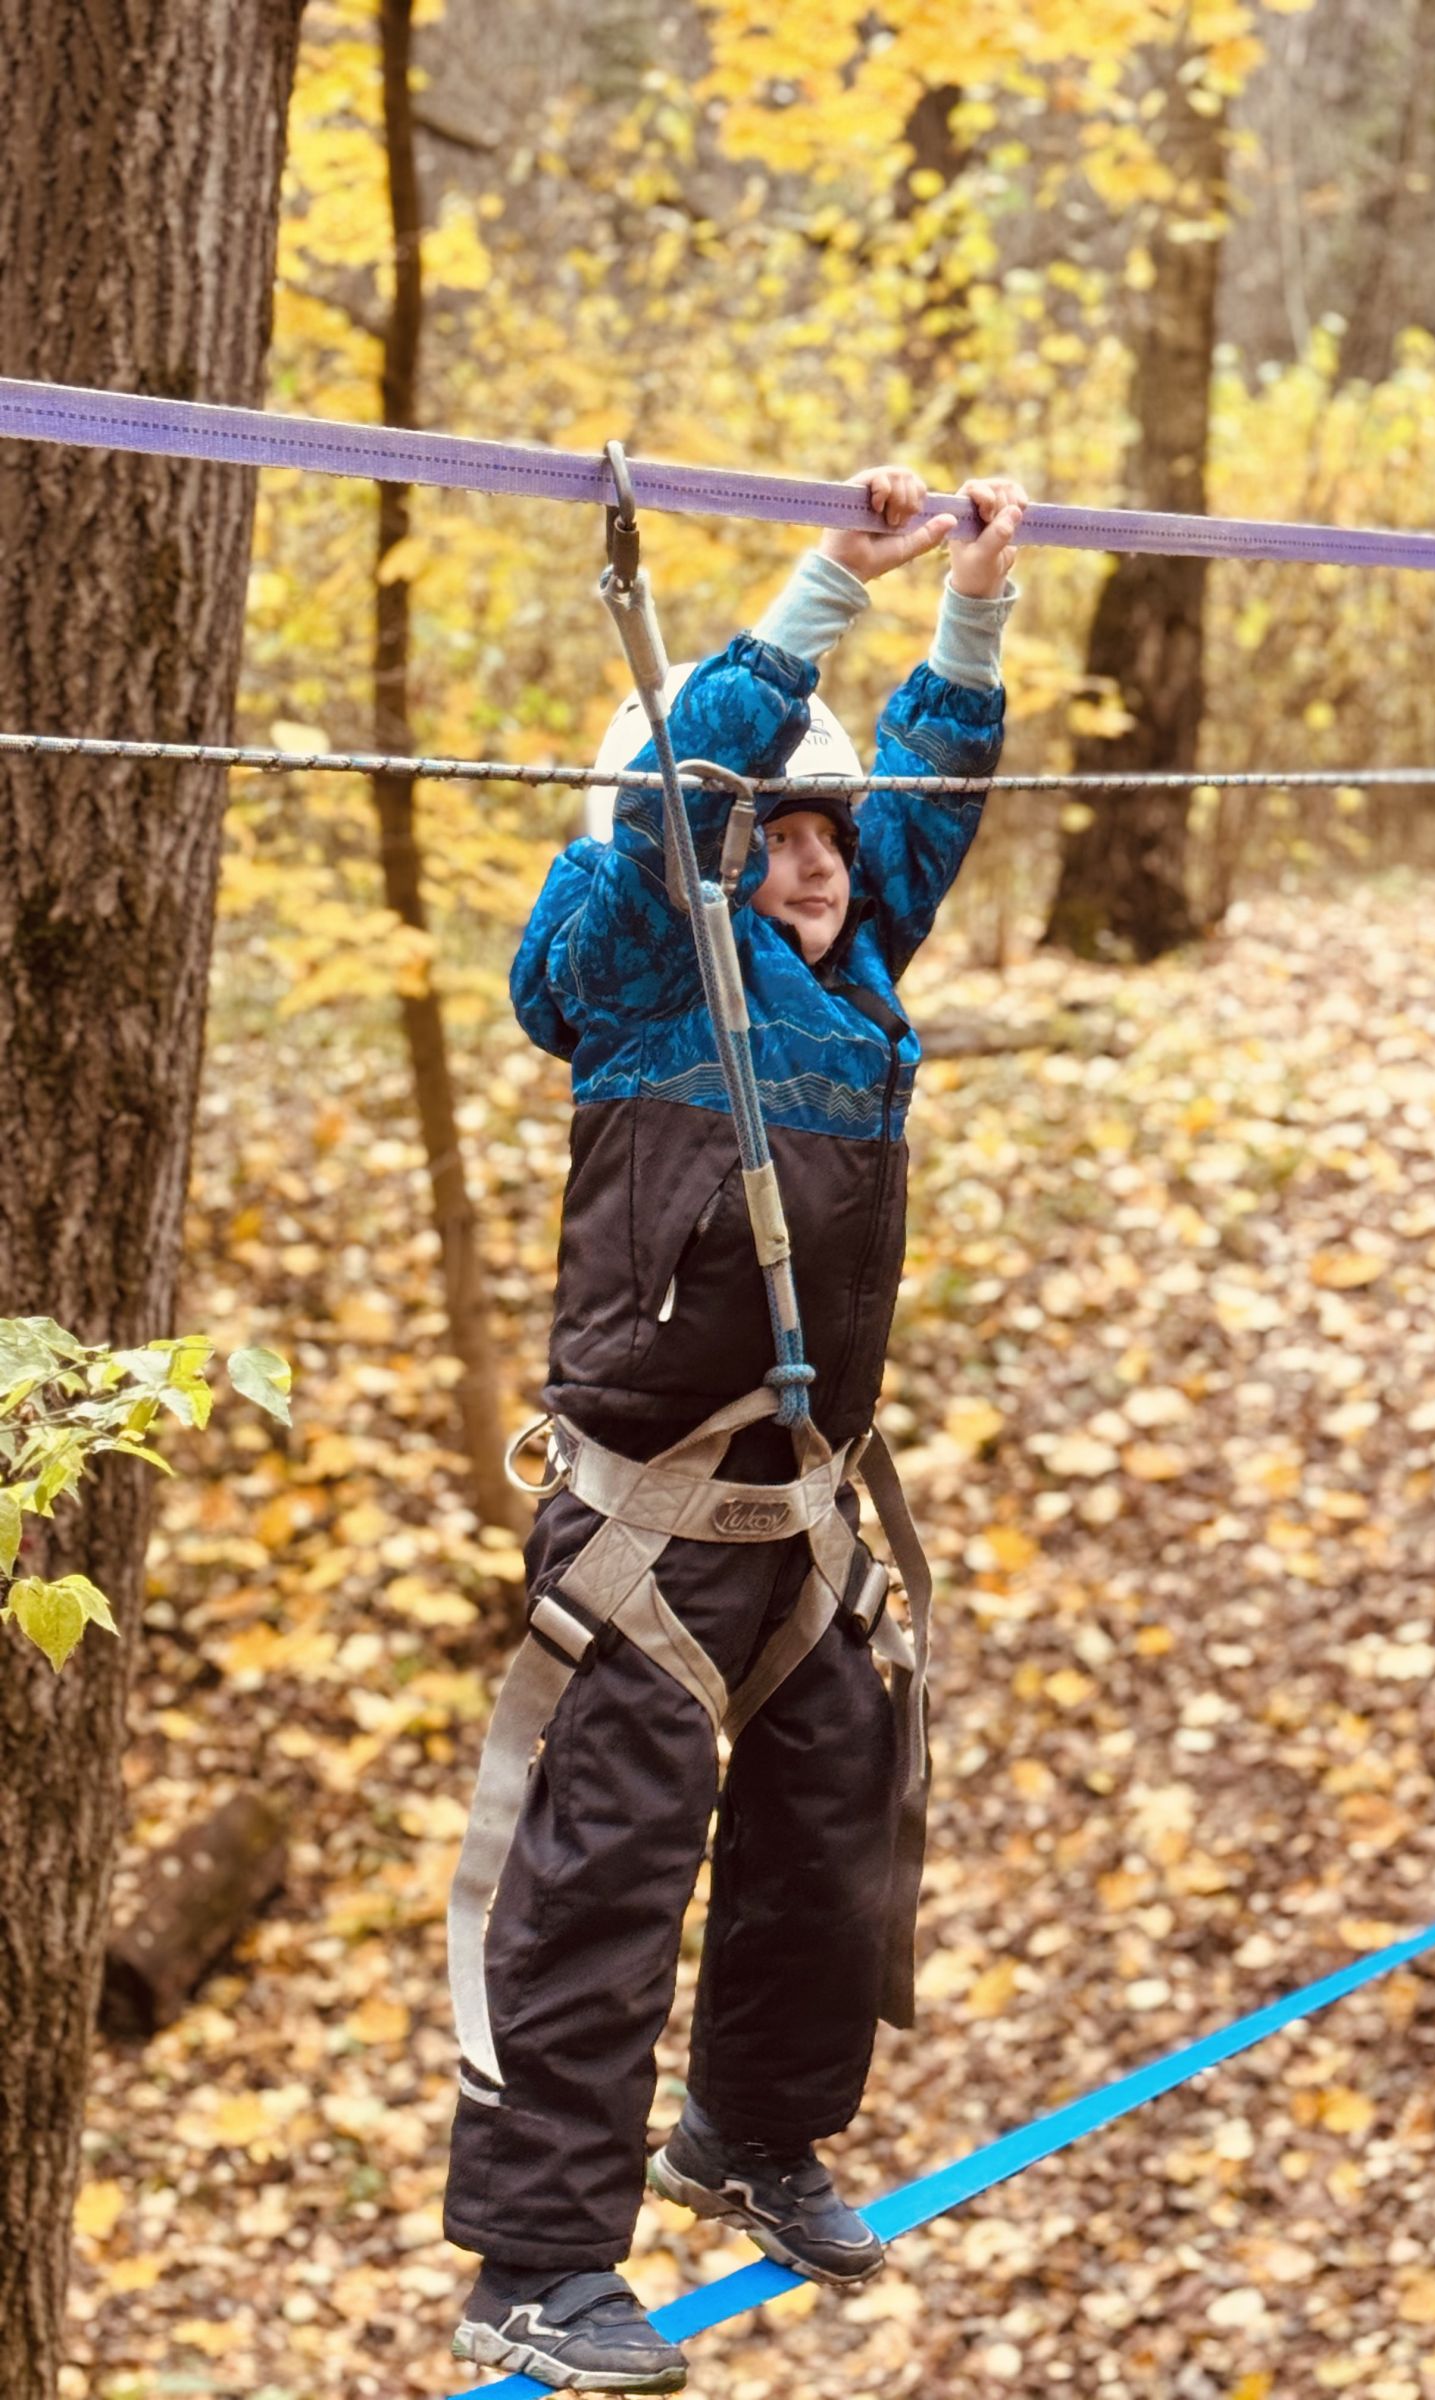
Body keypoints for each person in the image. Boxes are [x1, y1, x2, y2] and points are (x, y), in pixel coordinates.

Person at [446, 464, 1028, 2393]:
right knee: (606, 1875)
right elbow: (681, 798)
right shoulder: (638, 973)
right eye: (774, 838)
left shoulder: (852, 975)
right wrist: (819, 601)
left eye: (828, 838)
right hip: (644, 1521)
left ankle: (749, 2139)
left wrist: (971, 613)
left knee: (830, 1841)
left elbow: (927, 808)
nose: (819, 864)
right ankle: (535, 2260)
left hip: (806, 1522)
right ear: (696, 852)